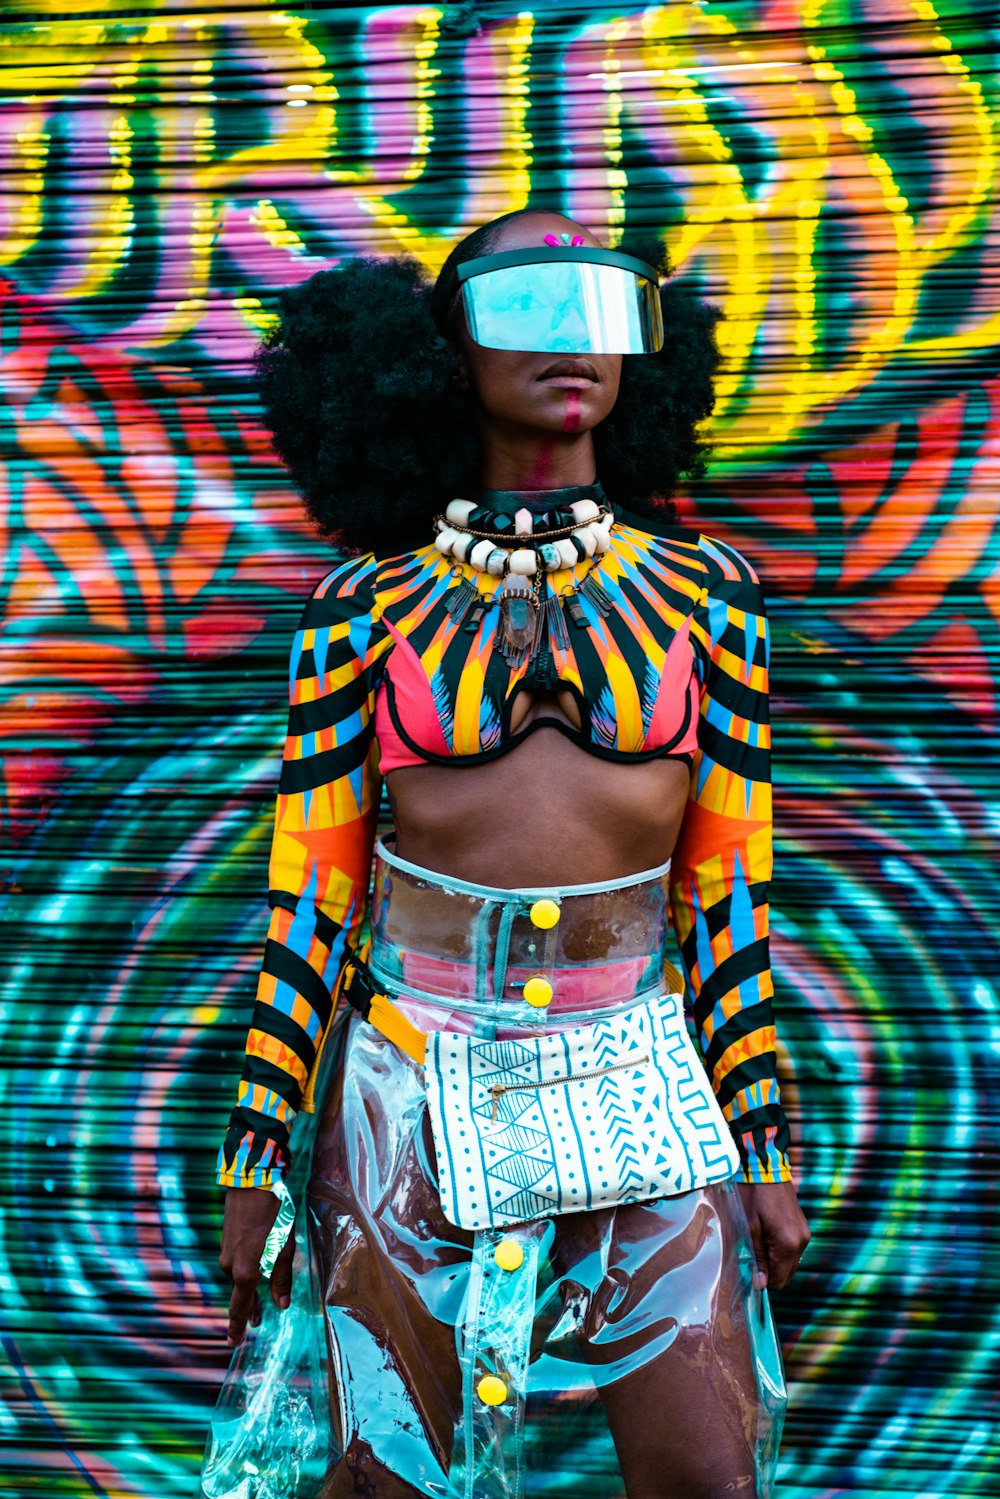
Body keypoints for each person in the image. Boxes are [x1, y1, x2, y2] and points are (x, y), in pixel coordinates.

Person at [212, 208, 810, 1499]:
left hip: (641, 1068)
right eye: (527, 306)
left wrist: (762, 1145)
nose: (572, 344)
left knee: (711, 1475)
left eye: (603, 310)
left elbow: (725, 897)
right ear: (444, 350)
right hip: (404, 1092)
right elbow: (310, 899)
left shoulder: (713, 596)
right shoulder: (358, 613)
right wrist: (255, 1155)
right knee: (391, 1480)